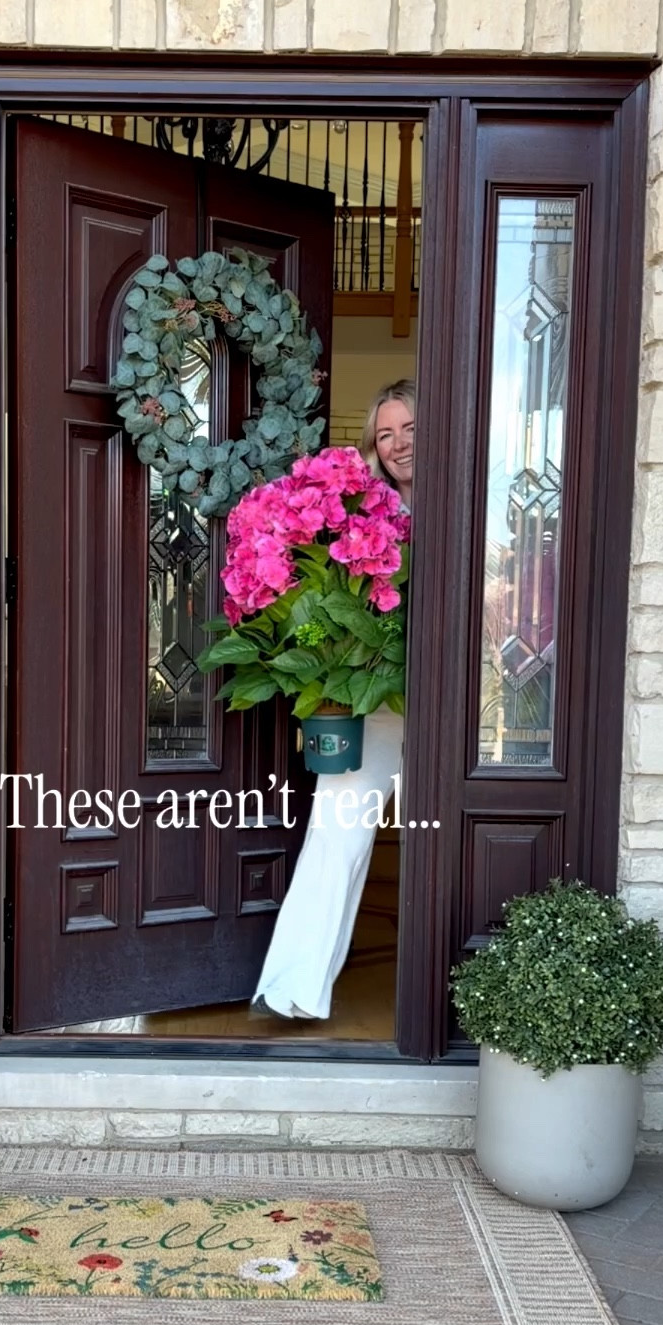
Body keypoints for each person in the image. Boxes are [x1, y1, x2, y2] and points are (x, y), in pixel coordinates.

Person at [251, 379, 415, 1021]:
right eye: (386, 434)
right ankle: (293, 988)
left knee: (444, 843)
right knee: (337, 835)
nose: (399, 444)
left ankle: (459, 998)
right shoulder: (362, 512)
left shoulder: (472, 505)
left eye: (411, 429)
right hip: (375, 699)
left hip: (456, 704)